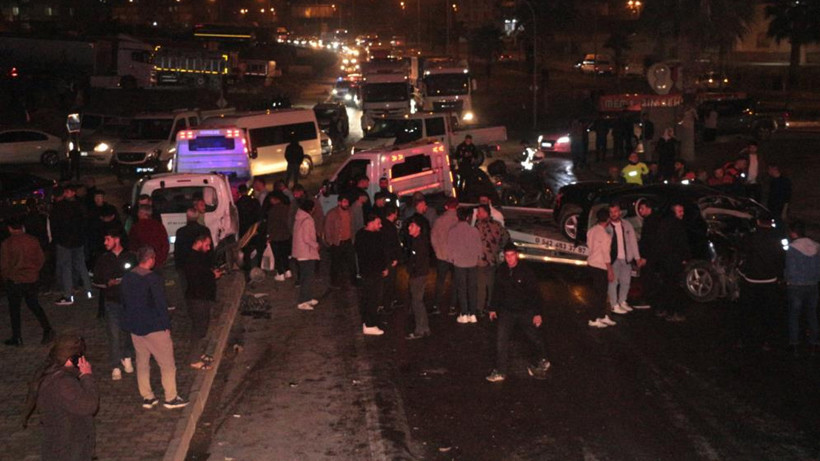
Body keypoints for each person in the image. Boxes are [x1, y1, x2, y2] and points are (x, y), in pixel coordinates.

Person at [121, 246, 188, 410]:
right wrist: (166, 325)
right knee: (167, 364)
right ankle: (171, 397)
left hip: (136, 328)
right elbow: (160, 303)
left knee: (142, 363)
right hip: (154, 327)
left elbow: (124, 302)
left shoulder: (128, 277)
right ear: (150, 259)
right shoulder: (152, 279)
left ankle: (147, 396)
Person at [22, 335, 98, 461]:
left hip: (62, 446)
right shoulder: (63, 383)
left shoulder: (51, 372)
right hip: (68, 449)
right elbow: (90, 406)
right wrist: (86, 376)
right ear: (73, 359)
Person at [486, 243, 551, 382]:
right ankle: (501, 371)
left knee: (534, 337)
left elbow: (535, 293)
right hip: (507, 311)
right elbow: (497, 290)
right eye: (507, 256)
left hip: (525, 310)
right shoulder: (502, 270)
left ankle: (543, 358)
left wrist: (537, 313)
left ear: (517, 255)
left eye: (512, 255)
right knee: (501, 340)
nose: (509, 259)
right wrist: (493, 308)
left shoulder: (526, 271)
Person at [93, 228, 137, 380]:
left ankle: (127, 356)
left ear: (116, 239)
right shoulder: (104, 259)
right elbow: (96, 280)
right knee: (114, 334)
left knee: (130, 332)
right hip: (112, 301)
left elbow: (137, 275)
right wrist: (107, 283)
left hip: (129, 301)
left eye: (108, 239)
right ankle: (115, 365)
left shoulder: (130, 257)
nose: (105, 243)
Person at [2, 218, 54, 346]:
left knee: (14, 309)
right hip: (31, 278)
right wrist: (34, 271)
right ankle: (47, 328)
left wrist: (6, 277)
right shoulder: (32, 240)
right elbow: (41, 258)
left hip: (15, 279)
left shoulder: (7, 243)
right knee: (34, 305)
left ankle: (17, 336)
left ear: (9, 228)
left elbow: (4, 265)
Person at [735, 217, 785, 349]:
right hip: (770, 280)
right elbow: (781, 258)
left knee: (747, 311)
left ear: (758, 222)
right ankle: (767, 341)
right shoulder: (777, 238)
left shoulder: (751, 237)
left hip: (752, 280)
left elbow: (741, 249)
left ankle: (744, 340)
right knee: (768, 312)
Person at [184, 234, 223, 370]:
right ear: (199, 243)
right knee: (198, 328)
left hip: (203, 297)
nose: (208, 248)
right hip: (197, 299)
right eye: (206, 245)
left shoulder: (199, 257)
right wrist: (212, 275)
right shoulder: (192, 258)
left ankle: (198, 353)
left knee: (203, 327)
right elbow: (197, 278)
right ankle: (194, 359)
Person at [51, 184, 92, 305]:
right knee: (80, 265)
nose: (65, 194)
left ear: (72, 192)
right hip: (78, 241)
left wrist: (57, 239)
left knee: (66, 268)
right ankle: (88, 290)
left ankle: (68, 295)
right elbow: (85, 223)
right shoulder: (80, 205)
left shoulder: (61, 207)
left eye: (67, 192)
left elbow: (56, 225)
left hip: (65, 242)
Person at [784, 221, 820, 355]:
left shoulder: (792, 248)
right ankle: (814, 343)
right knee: (812, 314)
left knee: (794, 315)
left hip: (796, 286)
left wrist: (787, 279)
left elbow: (790, 269)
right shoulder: (816, 246)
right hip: (812, 284)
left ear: (793, 233)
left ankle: (794, 344)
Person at [654, 204, 691, 322]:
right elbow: (681, 243)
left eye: (682, 211)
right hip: (674, 261)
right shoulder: (676, 225)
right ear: (674, 212)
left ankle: (663, 309)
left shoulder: (664, 223)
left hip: (665, 260)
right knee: (674, 287)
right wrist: (684, 257)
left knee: (666, 285)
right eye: (680, 211)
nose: (682, 213)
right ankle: (673, 312)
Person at [606, 202, 644, 315]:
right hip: (614, 259)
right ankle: (614, 305)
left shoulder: (627, 225)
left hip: (626, 259)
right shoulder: (607, 227)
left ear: (620, 212)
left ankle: (622, 301)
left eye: (615, 211)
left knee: (626, 282)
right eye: (611, 212)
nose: (613, 214)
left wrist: (637, 257)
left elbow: (633, 242)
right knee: (613, 282)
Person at [355, 213, 389, 335]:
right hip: (371, 272)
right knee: (372, 298)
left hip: (369, 271)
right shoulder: (368, 237)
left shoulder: (361, 234)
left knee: (369, 297)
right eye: (378, 223)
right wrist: (383, 267)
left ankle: (368, 321)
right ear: (371, 222)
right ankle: (370, 324)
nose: (380, 226)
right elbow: (377, 254)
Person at [447, 206, 482, 324]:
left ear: (457, 217)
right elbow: (479, 247)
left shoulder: (452, 231)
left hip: (459, 263)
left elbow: (450, 248)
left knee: (461, 288)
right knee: (472, 287)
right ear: (468, 217)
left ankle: (464, 313)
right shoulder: (474, 231)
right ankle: (473, 313)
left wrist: (451, 259)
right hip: (472, 262)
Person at [474, 204, 510, 315]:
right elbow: (506, 237)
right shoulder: (497, 225)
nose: (477, 214)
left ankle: (480, 308)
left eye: (479, 212)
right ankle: (490, 306)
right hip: (493, 260)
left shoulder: (478, 226)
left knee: (481, 285)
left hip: (481, 261)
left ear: (485, 213)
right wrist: (498, 249)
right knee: (491, 285)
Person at [586, 209, 616, 328]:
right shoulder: (605, 235)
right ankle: (593, 318)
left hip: (591, 263)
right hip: (600, 266)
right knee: (600, 294)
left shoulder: (591, 231)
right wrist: (610, 270)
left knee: (599, 293)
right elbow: (606, 254)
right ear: (608, 219)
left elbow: (589, 245)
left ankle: (602, 316)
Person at [405, 216, 432, 340]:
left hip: (418, 275)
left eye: (412, 226)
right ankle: (424, 328)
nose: (409, 228)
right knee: (418, 302)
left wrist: (413, 272)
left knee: (417, 302)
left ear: (418, 228)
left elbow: (419, 260)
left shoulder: (420, 242)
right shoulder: (417, 240)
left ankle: (420, 329)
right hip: (419, 274)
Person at [431, 197, 459, 316]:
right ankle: (452, 306)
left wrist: (438, 251)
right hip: (456, 257)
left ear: (446, 207)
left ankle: (436, 305)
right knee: (455, 282)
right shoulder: (459, 220)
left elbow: (433, 237)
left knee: (440, 281)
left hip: (442, 255)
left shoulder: (439, 220)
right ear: (457, 206)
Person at [292, 199, 321, 310]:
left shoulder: (299, 218)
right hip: (306, 252)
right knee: (307, 277)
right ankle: (302, 301)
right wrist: (316, 245)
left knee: (305, 276)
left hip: (300, 251)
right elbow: (307, 238)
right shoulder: (308, 220)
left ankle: (307, 297)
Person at [174, 208, 212, 289]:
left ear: (187, 217)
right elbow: (210, 249)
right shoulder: (205, 230)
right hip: (202, 263)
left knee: (187, 287)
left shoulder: (181, 232)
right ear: (197, 217)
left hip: (185, 265)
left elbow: (178, 250)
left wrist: (178, 265)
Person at [324, 195, 357, 288]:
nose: (347, 204)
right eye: (344, 202)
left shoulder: (350, 212)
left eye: (347, 202)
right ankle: (335, 282)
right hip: (337, 242)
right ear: (339, 202)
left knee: (351, 262)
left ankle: (353, 280)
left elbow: (352, 225)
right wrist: (330, 241)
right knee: (336, 263)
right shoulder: (332, 213)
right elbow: (327, 228)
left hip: (348, 241)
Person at [128, 205, 170, 271]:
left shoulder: (136, 227)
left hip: (142, 261)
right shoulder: (159, 226)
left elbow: (133, 245)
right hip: (157, 260)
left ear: (142, 213)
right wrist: (162, 259)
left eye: (139, 213)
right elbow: (165, 244)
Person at [266, 191, 292, 282]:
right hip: (285, 235)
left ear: (274, 199)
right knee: (285, 254)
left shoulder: (272, 210)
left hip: (276, 236)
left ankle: (280, 273)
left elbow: (270, 225)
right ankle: (287, 270)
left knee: (277, 256)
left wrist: (268, 236)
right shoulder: (287, 208)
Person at [380, 204, 402, 311]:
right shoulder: (390, 227)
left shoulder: (382, 225)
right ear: (393, 214)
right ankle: (387, 304)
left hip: (385, 258)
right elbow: (391, 244)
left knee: (388, 282)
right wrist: (394, 258)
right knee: (389, 282)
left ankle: (390, 301)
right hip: (389, 259)